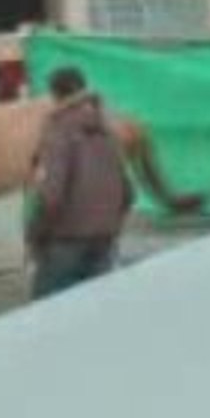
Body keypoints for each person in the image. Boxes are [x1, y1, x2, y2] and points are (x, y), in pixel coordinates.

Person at [27, 66, 134, 300]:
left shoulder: (58, 130)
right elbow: (127, 193)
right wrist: (111, 227)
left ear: (55, 95)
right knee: (95, 310)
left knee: (46, 310)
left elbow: (52, 196)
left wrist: (36, 234)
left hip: (65, 240)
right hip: (104, 240)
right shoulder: (107, 129)